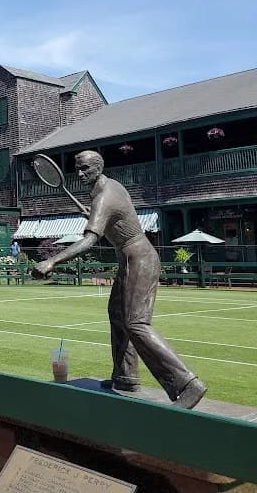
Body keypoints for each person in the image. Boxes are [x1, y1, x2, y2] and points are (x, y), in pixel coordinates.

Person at [33, 150, 207, 409]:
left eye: (86, 169)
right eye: (78, 169)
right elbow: (114, 223)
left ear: (99, 168)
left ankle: (187, 384)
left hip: (140, 259)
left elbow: (90, 241)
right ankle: (125, 377)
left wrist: (52, 261)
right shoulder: (108, 188)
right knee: (116, 313)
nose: (80, 174)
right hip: (130, 260)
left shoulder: (105, 196)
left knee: (136, 324)